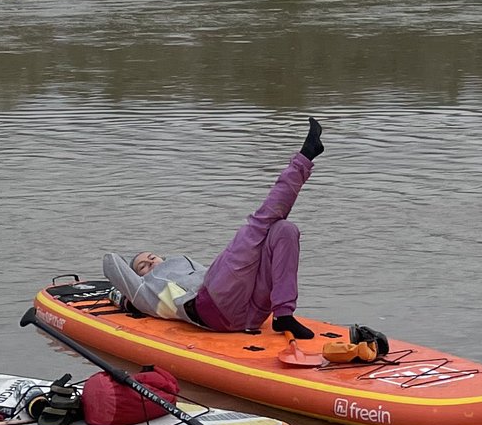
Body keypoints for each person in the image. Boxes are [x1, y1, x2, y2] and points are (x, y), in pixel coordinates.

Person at [103, 117, 327, 339]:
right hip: (213, 308)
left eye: (152, 257)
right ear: (135, 278)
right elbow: (110, 260)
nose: (151, 262)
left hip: (252, 312)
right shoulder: (145, 289)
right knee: (258, 226)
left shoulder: (183, 263)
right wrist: (124, 293)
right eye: (142, 265)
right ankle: (304, 159)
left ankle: (283, 314)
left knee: (284, 230)